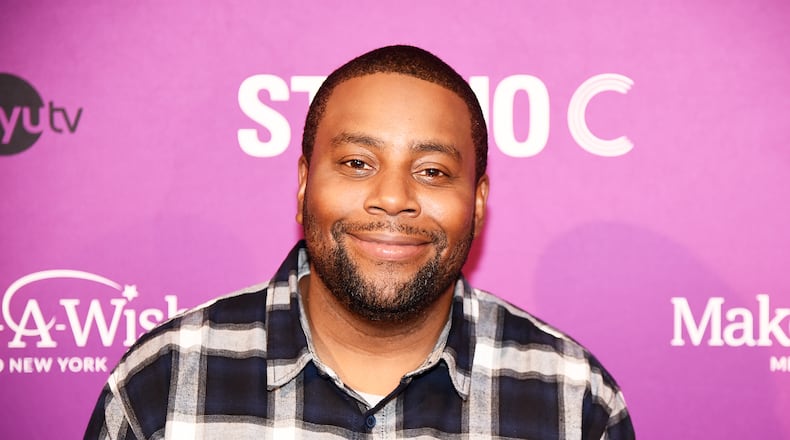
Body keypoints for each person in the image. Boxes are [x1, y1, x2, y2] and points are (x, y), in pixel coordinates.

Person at [85, 45, 635, 439]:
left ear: (479, 200)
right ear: (304, 184)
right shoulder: (162, 380)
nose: (393, 197)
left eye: (433, 171)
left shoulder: (574, 401)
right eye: (356, 163)